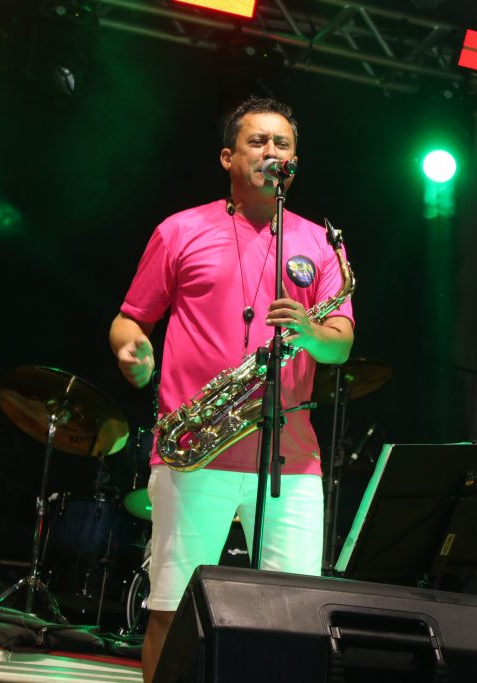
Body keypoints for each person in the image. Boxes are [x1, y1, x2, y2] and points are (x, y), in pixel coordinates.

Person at [109, 96, 354, 683]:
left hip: (290, 460)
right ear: (227, 157)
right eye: (257, 141)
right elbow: (131, 318)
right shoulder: (180, 229)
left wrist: (310, 331)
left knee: (297, 619)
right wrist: (130, 349)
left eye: (282, 144)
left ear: (295, 160)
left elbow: (340, 345)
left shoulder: (321, 242)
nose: (272, 151)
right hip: (196, 451)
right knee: (171, 610)